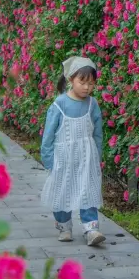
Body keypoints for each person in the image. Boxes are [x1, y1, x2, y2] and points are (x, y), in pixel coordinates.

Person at [40, 56, 105, 246]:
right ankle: (64, 226)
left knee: (88, 191)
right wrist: (49, 161)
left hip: (87, 157)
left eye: (91, 84)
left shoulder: (92, 104)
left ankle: (91, 229)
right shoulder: (59, 104)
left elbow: (98, 133)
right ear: (71, 80)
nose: (86, 87)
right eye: (82, 82)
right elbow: (48, 136)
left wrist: (97, 156)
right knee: (62, 192)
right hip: (63, 159)